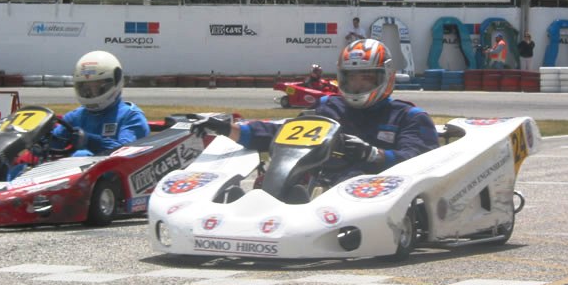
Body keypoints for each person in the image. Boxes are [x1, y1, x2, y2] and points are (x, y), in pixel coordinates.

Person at [192, 38, 439, 186]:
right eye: (351, 79)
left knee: (352, 178)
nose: (357, 86)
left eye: (365, 79)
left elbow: (421, 162)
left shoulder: (408, 117)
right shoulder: (330, 108)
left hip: (373, 191)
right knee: (276, 176)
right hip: (320, 187)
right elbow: (283, 134)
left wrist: (373, 154)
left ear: (386, 77)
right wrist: (226, 128)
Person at [52, 50, 150, 156]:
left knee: (82, 154)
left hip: (114, 166)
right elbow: (53, 144)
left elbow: (125, 153)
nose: (92, 93)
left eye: (98, 87)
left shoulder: (131, 117)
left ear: (116, 81)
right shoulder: (75, 117)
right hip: (73, 166)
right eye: (87, 88)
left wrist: (91, 141)